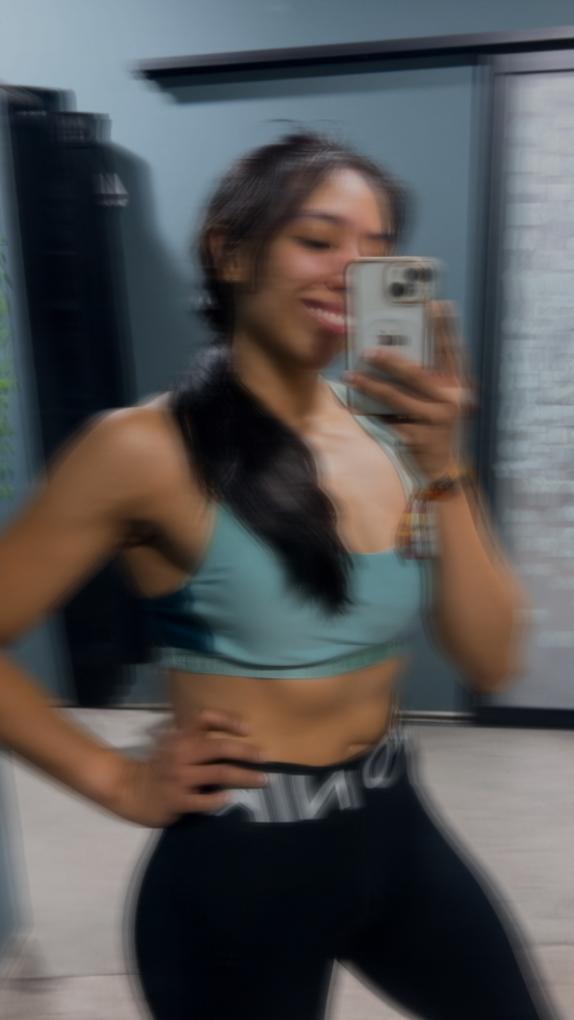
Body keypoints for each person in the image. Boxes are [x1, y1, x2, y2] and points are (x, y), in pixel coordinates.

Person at [0, 132, 559, 1020]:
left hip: (394, 826)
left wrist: (447, 463)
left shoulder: (395, 430)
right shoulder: (141, 450)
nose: (350, 271)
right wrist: (114, 779)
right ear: (231, 252)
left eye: (376, 251)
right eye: (318, 239)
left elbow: (491, 660)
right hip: (239, 872)